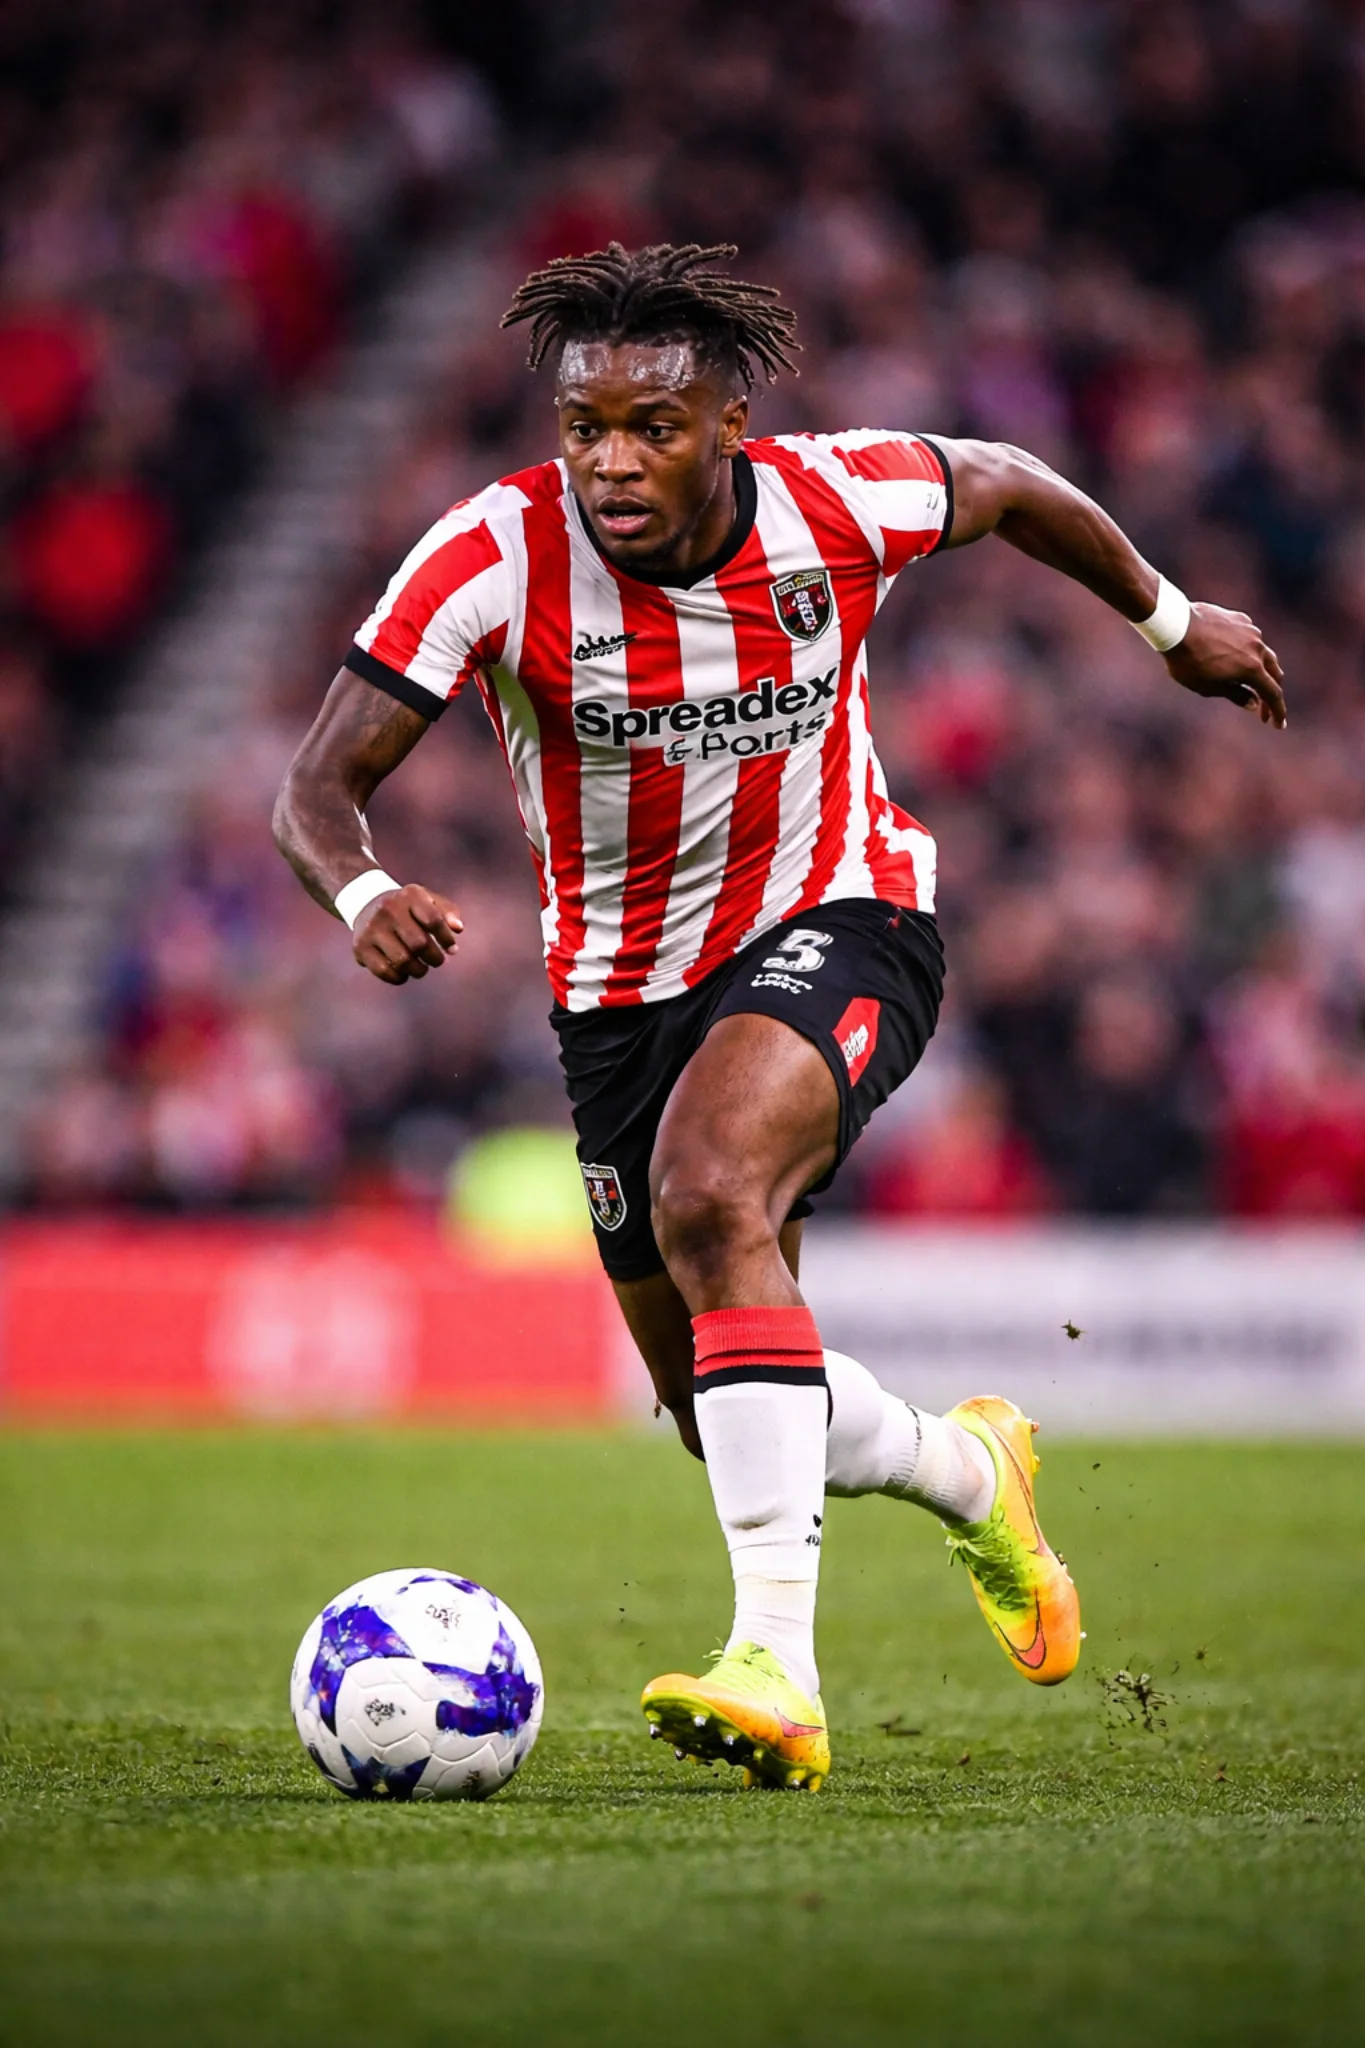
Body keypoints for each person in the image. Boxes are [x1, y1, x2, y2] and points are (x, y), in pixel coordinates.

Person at [273, 242, 1286, 1792]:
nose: (613, 461)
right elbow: (316, 791)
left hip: (844, 917)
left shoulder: (839, 503)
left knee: (710, 1190)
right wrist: (361, 897)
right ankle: (970, 1472)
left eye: (653, 428)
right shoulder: (494, 557)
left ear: (731, 422)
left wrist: (1166, 621)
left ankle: (777, 1670)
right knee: (715, 1401)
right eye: (584, 429)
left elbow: (1008, 481)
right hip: (616, 996)